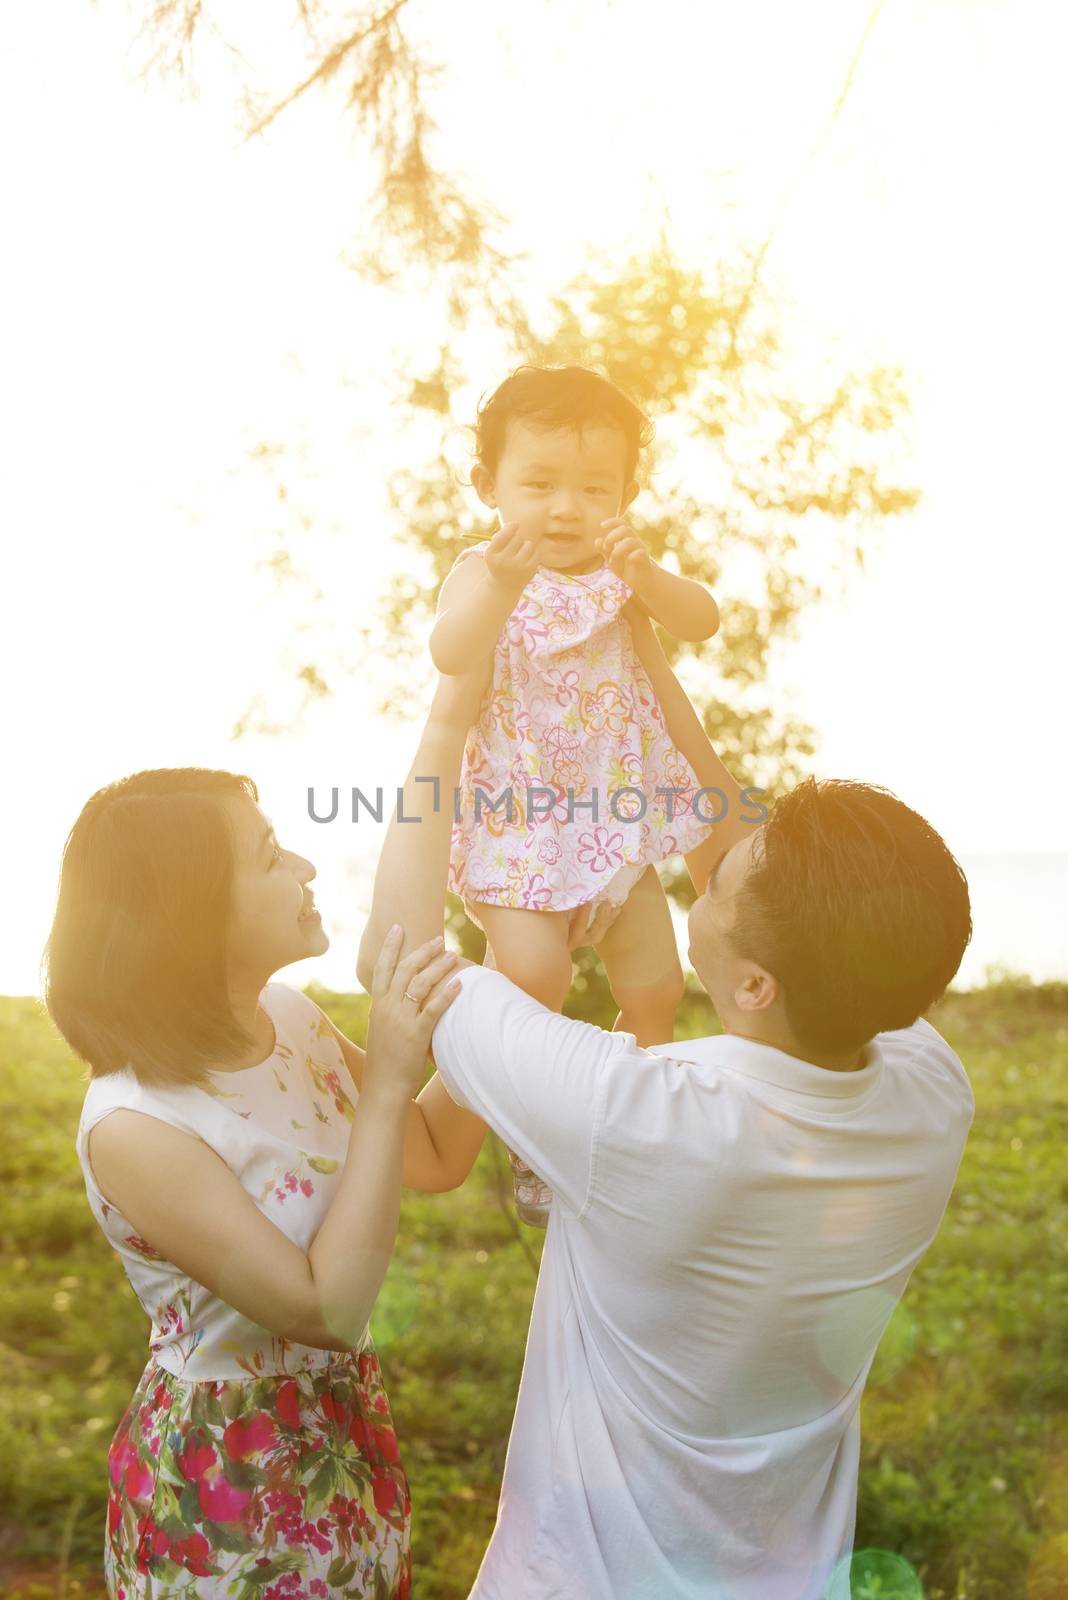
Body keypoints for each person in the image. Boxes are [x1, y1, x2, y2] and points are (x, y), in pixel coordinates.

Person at [357, 621, 976, 1600]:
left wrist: (447, 718)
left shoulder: (636, 1114)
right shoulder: (932, 1093)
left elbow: (400, 961)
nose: (707, 866)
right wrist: (645, 657)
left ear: (759, 984)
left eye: (720, 882)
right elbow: (788, 896)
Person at [43, 761, 493, 1599]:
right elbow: (327, 1309)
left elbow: (432, 1150)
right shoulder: (135, 1125)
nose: (305, 869)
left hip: (338, 1442)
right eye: (269, 855)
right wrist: (390, 1079)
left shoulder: (289, 1020)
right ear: (192, 910)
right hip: (227, 1491)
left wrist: (509, 963)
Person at [431, 363, 728, 1224]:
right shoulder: (479, 573)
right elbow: (452, 654)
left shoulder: (620, 571)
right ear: (488, 486)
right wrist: (498, 585)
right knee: (531, 971)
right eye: (539, 483)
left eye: (594, 487)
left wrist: (652, 578)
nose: (566, 507)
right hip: (519, 822)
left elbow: (701, 618)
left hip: (615, 823)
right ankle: (539, 1131)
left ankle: (639, 1130)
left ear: (627, 494)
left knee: (657, 982)